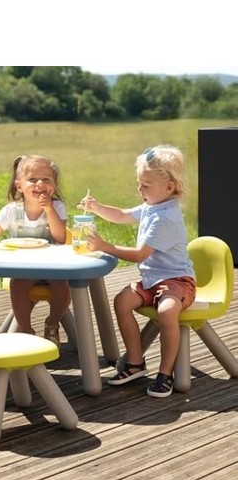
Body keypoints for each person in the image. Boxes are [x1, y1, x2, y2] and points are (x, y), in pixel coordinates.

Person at [78, 144, 196, 397]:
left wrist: (105, 246)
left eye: (146, 185)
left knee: (166, 311)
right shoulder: (152, 206)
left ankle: (165, 373)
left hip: (177, 280)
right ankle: (135, 362)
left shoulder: (166, 217)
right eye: (139, 183)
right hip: (152, 280)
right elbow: (122, 215)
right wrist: (97, 207)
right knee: (122, 301)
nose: (139, 189)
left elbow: (140, 254)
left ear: (169, 187)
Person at [0, 154, 71, 347]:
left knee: (62, 287)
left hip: (52, 266)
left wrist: (49, 210)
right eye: (32, 179)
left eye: (46, 179)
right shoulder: (12, 211)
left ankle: (52, 323)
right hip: (23, 268)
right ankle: (26, 329)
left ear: (54, 186)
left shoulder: (57, 207)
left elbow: (61, 237)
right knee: (18, 285)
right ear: (19, 185)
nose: (40, 184)